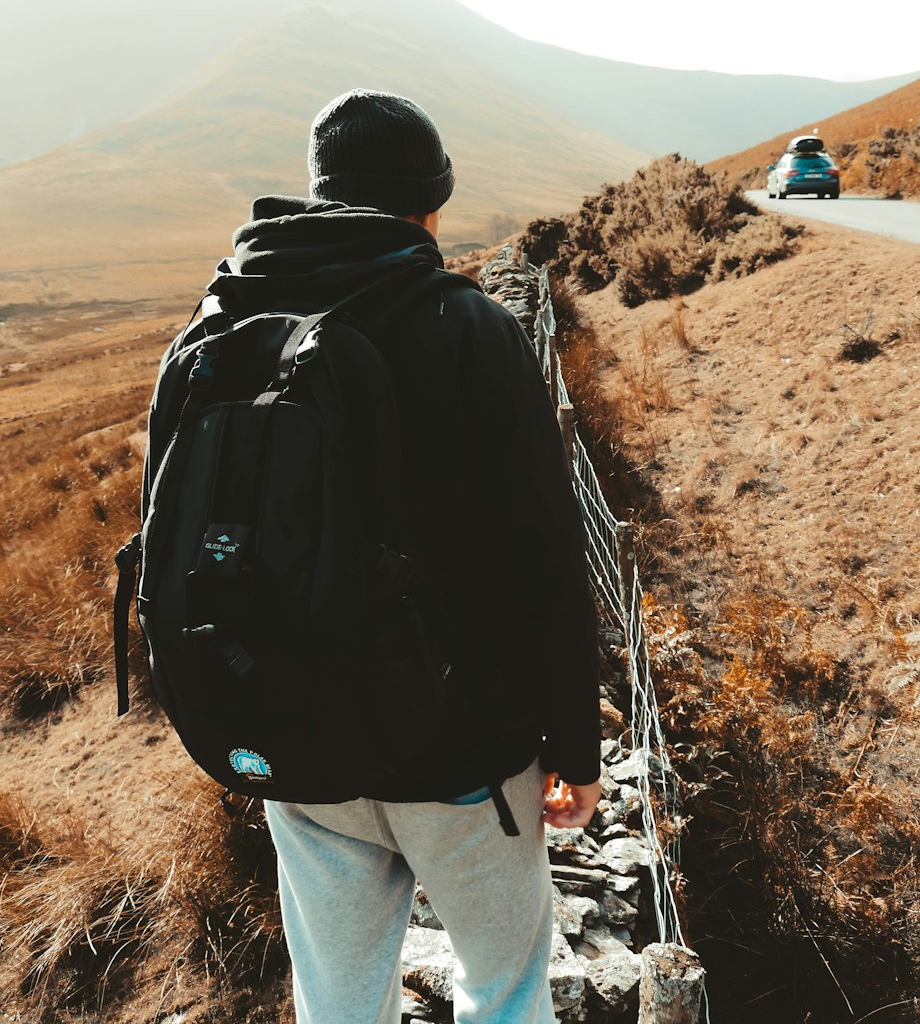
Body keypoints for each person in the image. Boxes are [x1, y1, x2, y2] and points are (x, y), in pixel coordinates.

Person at [149, 90, 602, 1023]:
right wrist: (575, 745)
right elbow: (547, 553)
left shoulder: (213, 328)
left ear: (322, 194)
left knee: (338, 1002)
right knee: (506, 989)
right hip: (462, 754)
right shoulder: (467, 325)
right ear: (429, 203)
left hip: (290, 731)